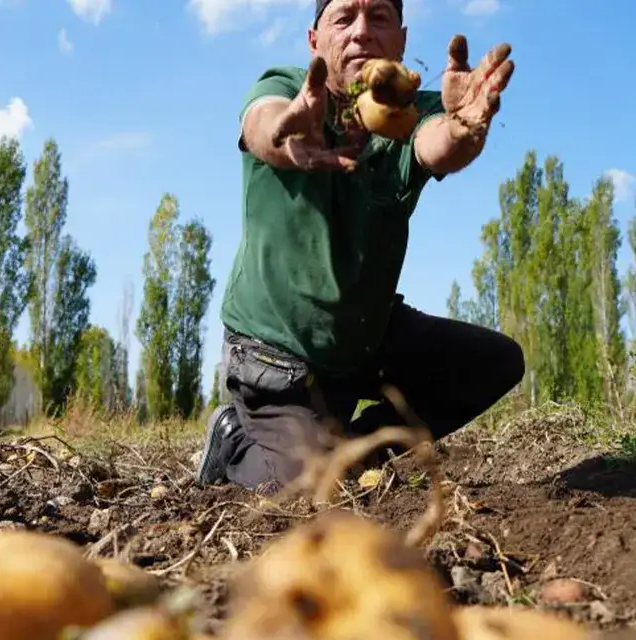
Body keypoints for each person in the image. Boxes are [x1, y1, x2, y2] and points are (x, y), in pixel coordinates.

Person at [195, 0, 525, 495]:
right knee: (308, 492)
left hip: (364, 339)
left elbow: (436, 143)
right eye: (344, 17)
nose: (362, 32)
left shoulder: (409, 112)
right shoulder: (285, 88)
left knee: (495, 362)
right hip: (277, 357)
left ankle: (355, 450)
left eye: (379, 18)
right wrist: (289, 136)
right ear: (315, 41)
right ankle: (235, 439)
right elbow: (264, 124)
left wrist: (462, 129)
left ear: (402, 41)